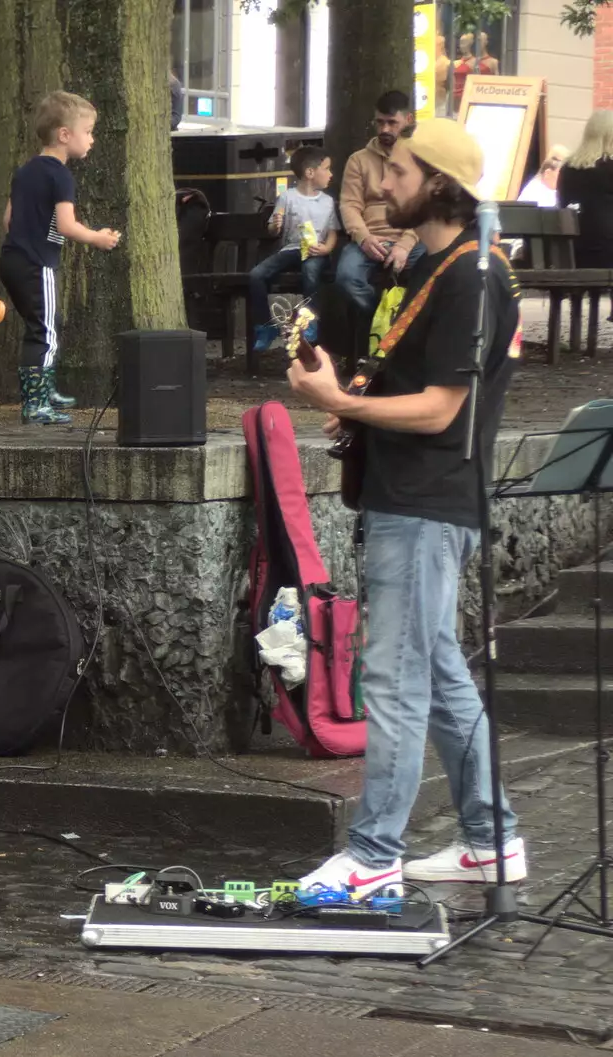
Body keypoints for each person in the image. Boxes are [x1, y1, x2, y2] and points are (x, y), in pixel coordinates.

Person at [287, 119, 526, 898]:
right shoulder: (435, 262)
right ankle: (492, 840)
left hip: (426, 504)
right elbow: (410, 387)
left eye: (396, 171)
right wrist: (351, 400)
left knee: (390, 676)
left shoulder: (472, 276)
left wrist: (337, 400)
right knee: (439, 669)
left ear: (440, 184)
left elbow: (442, 412)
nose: (382, 184)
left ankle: (373, 853)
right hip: (407, 497)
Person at [0, 91, 119, 426]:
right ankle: (36, 403)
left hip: (12, 259)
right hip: (38, 263)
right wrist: (97, 237)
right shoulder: (60, 175)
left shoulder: (25, 171)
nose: (92, 139)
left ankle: (44, 390)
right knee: (45, 333)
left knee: (42, 326)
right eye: (88, 131)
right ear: (65, 135)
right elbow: (66, 225)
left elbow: (7, 220)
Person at [336, 90, 422, 315]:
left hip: (410, 239)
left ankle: (402, 327)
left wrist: (405, 245)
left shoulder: (418, 158)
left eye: (392, 123)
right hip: (368, 240)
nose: (385, 129)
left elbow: (424, 207)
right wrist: (364, 238)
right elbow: (349, 205)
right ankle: (380, 319)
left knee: (432, 274)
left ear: (408, 120)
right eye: (380, 122)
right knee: (346, 278)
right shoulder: (358, 160)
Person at [249, 147, 340, 353]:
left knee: (311, 271)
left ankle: (310, 323)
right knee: (256, 275)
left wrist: (326, 249)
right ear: (310, 173)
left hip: (316, 252)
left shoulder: (326, 202)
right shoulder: (287, 197)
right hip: (291, 249)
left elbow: (333, 232)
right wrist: (276, 225)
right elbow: (273, 230)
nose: (330, 174)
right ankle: (265, 327)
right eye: (326, 169)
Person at [557, 111, 613, 269]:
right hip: (607, 253)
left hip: (574, 253)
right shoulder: (610, 167)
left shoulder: (568, 168)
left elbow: (562, 203)